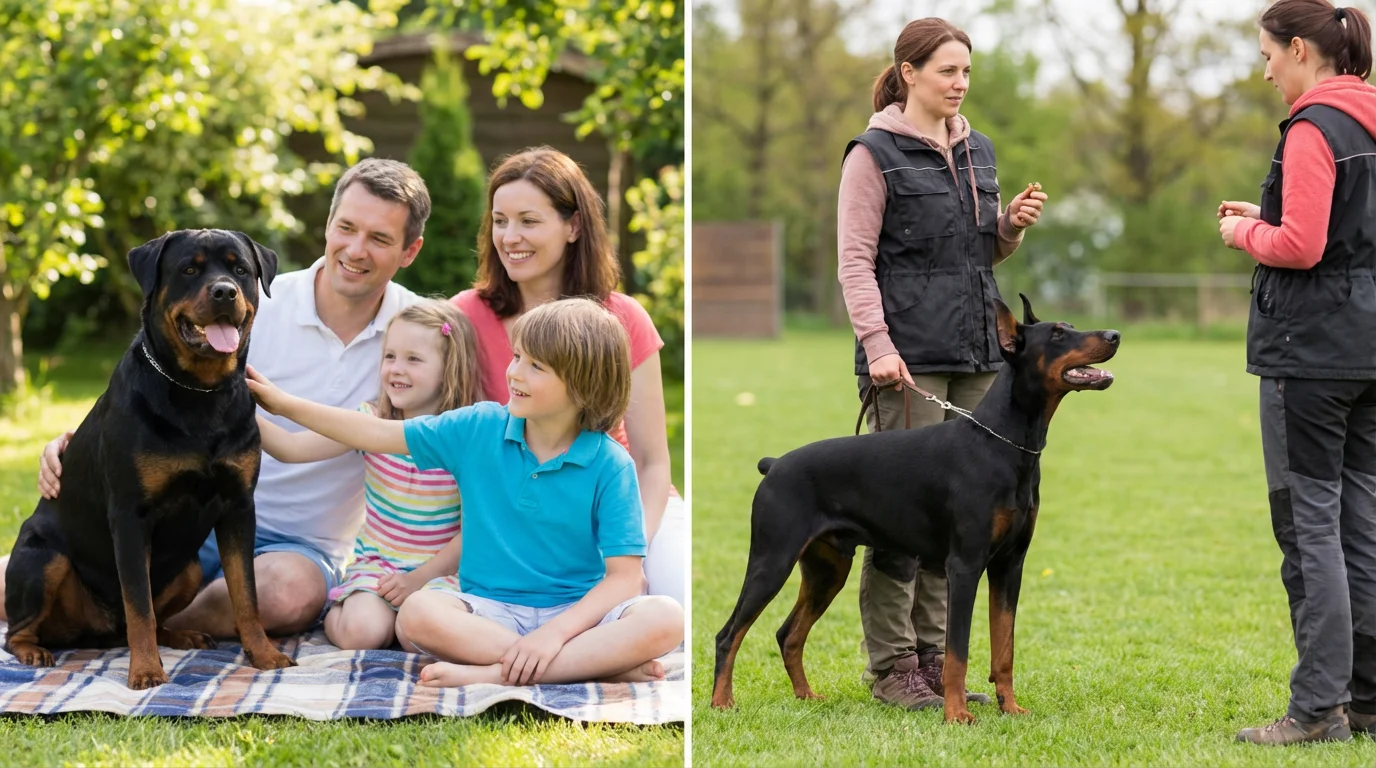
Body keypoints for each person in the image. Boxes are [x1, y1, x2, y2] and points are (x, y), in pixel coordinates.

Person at [6, 158, 429, 635]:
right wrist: (75, 445)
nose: (355, 248)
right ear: (327, 225)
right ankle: (119, 617)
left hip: (297, 546)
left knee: (285, 596)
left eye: (379, 238)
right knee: (15, 578)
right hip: (181, 527)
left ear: (409, 251)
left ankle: (131, 626)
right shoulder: (258, 300)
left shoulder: (418, 334)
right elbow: (148, 387)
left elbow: (452, 433)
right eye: (346, 227)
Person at [245, 297, 684, 687]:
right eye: (517, 357)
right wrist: (283, 404)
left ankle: (503, 671)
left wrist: (554, 635)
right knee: (419, 614)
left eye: (536, 366)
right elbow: (374, 431)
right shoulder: (479, 427)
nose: (514, 373)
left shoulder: (610, 464)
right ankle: (588, 666)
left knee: (666, 618)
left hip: (577, 617)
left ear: (583, 383)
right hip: (488, 610)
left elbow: (625, 577)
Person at [837, 17, 1048, 710]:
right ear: (909, 74)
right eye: (947, 71)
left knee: (958, 525)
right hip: (908, 360)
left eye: (966, 72)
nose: (960, 84)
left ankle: (935, 660)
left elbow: (977, 254)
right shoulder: (874, 154)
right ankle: (893, 666)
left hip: (980, 356)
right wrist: (878, 348)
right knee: (897, 520)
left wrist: (1008, 226)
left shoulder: (978, 149)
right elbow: (855, 263)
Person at [1217, 0, 1376, 747]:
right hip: (1369, 349)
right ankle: (1369, 699)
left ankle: (1317, 710)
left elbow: (1304, 246)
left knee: (1309, 526)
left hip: (1310, 357)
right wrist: (1271, 209)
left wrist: (1242, 230)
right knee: (1362, 526)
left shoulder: (1314, 125)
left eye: (1268, 55)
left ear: (1304, 49)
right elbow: (1347, 228)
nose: (1269, 69)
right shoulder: (1372, 119)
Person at [451, 146, 685, 607]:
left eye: (529, 221)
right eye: (500, 221)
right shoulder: (464, 316)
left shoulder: (623, 318)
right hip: (519, 516)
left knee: (673, 605)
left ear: (573, 225)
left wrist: (629, 554)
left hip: (622, 508)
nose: (510, 236)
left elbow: (652, 463)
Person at [255, 301, 482, 650]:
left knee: (416, 634)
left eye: (413, 359)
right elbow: (290, 448)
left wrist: (417, 580)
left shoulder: (469, 439)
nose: (396, 369)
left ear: (450, 367)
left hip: (441, 574)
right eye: (389, 356)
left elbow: (473, 535)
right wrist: (233, 399)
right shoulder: (370, 423)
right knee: (363, 633)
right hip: (378, 566)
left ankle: (399, 619)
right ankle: (338, 607)